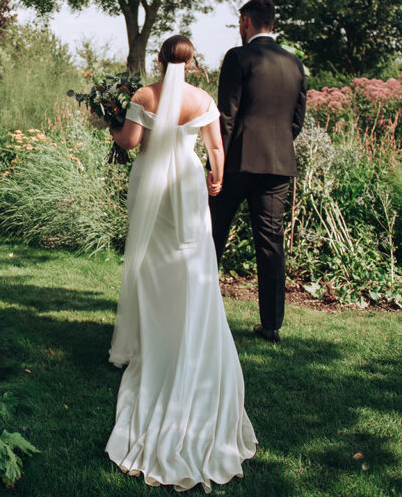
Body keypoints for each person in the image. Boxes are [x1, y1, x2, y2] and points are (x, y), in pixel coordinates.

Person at [106, 35, 257, 492]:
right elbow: (215, 150)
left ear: (159, 58)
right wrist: (215, 180)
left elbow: (131, 143)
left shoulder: (143, 96)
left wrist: (113, 123)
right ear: (192, 62)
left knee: (150, 260)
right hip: (187, 185)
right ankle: (182, 321)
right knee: (190, 259)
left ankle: (148, 335)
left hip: (152, 183)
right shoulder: (203, 98)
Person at [208, 0, 306, 343]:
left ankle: (201, 315)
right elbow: (296, 122)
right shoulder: (295, 64)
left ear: (246, 22)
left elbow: (227, 117)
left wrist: (215, 167)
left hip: (237, 164)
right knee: (270, 244)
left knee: (212, 237)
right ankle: (271, 325)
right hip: (278, 165)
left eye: (239, 22)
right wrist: (276, 145)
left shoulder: (238, 57)